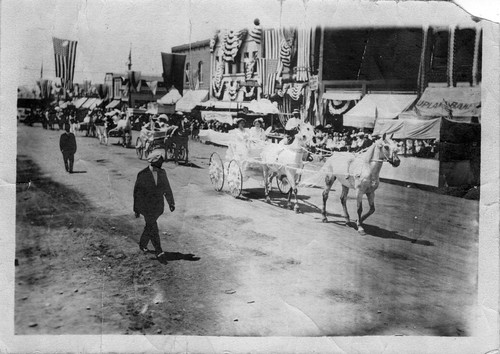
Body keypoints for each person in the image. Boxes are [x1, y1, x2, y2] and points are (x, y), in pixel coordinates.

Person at [133, 149, 175, 263]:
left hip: (158, 207)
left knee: (150, 225)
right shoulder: (142, 174)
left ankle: (143, 243)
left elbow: (167, 189)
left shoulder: (162, 173)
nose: (162, 163)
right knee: (153, 226)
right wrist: (136, 209)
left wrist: (171, 203)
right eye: (160, 161)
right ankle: (159, 250)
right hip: (146, 207)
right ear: (154, 161)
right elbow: (137, 193)